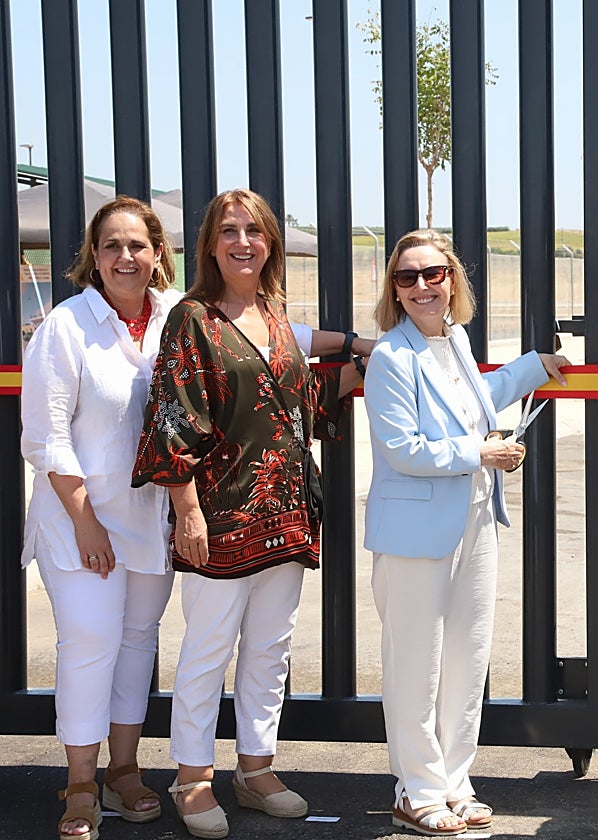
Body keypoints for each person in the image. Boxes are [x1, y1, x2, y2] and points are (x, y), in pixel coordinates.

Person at [132, 188, 364, 839]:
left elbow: (294, 397)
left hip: (287, 516)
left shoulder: (275, 313)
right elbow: (173, 418)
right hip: (220, 518)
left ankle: (257, 770)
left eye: (254, 231)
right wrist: (187, 512)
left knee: (270, 650)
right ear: (209, 243)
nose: (243, 242)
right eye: (229, 231)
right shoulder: (193, 320)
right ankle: (193, 778)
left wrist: (376, 352)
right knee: (207, 652)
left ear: (270, 243)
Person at [363, 229, 569, 836]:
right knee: (416, 665)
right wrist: (481, 453)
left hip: (476, 520)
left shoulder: (455, 341)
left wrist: (534, 368)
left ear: (452, 279)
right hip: (415, 534)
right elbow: (402, 448)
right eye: (407, 277)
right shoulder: (389, 357)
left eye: (433, 274)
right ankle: (417, 789)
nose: (422, 286)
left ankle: (455, 782)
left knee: (465, 660)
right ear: (394, 291)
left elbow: (476, 402)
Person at [21, 196, 181, 840]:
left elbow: (254, 340)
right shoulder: (67, 325)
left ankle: (123, 770)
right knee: (90, 643)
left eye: (137, 245)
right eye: (111, 245)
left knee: (138, 643)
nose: (125, 256)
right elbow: (45, 435)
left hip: (150, 515)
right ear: (94, 255)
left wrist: (354, 344)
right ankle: (80, 783)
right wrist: (86, 520)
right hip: (77, 518)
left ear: (157, 253)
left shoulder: (176, 316)